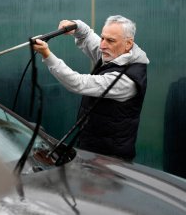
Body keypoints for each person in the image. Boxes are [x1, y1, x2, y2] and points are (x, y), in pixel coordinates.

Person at [33, 15, 149, 161]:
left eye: (110, 40)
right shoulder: (113, 54)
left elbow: (78, 83)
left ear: (128, 44)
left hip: (110, 160)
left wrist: (47, 55)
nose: (102, 45)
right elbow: (87, 35)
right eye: (102, 38)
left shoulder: (127, 81)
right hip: (91, 148)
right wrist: (74, 25)